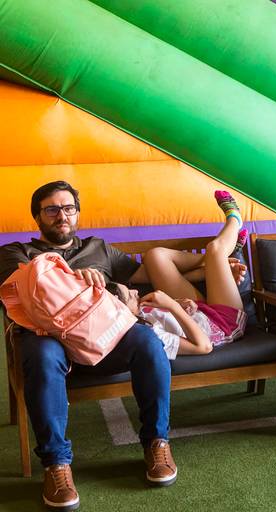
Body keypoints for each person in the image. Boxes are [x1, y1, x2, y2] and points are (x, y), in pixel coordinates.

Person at [0, 181, 176, 511]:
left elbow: (147, 275)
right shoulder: (16, 252)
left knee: (148, 342)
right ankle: (56, 465)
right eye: (51, 209)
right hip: (49, 340)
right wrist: (77, 278)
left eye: (68, 208)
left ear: (77, 213)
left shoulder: (99, 248)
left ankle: (157, 442)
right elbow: (21, 288)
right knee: (41, 356)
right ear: (37, 217)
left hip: (103, 340)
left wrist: (213, 267)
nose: (61, 215)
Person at [108, 191, 249, 360]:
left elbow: (171, 317)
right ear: (122, 312)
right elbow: (204, 346)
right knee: (215, 249)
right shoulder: (149, 336)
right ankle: (235, 219)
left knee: (155, 256)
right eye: (130, 295)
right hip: (222, 324)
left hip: (201, 313)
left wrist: (181, 304)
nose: (136, 291)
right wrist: (172, 306)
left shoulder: (139, 311)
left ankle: (216, 264)